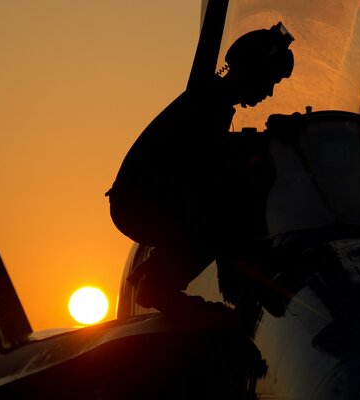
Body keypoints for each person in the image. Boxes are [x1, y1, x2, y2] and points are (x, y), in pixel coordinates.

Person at [105, 22, 295, 315]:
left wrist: (265, 139)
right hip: (140, 204)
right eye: (269, 80)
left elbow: (213, 150)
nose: (269, 93)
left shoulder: (211, 99)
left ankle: (162, 271)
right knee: (229, 208)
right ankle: (158, 284)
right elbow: (211, 162)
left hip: (147, 199)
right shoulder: (207, 104)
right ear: (252, 71)